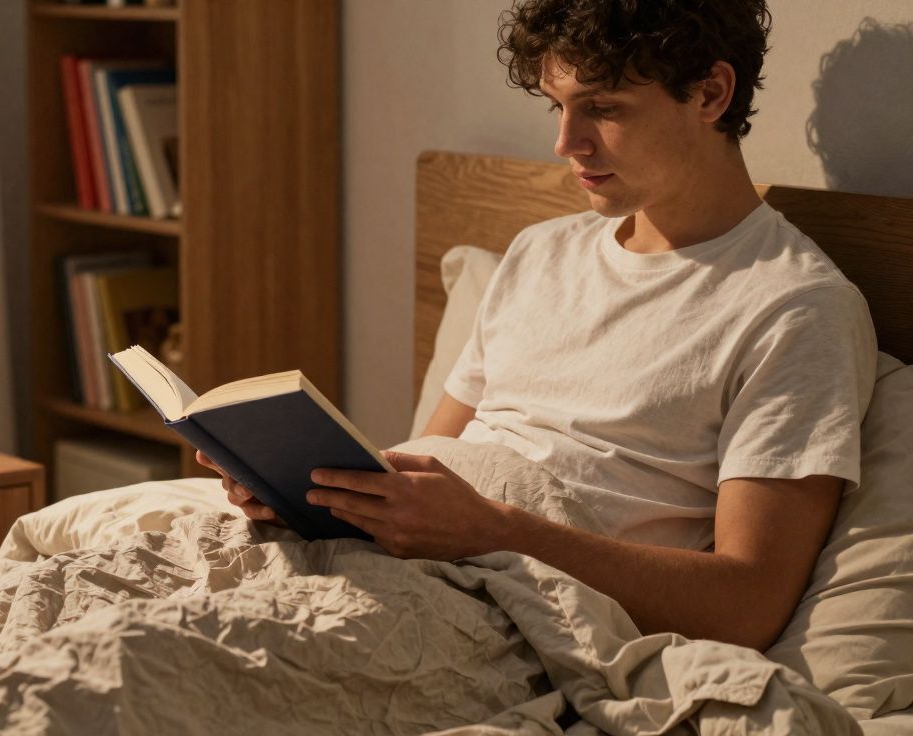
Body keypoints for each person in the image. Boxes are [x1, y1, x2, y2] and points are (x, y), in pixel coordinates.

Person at [199, 0, 878, 652]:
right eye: (558, 106)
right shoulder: (539, 253)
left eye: (602, 107)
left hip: (505, 607)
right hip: (395, 557)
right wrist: (308, 492)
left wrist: (496, 532)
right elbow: (426, 462)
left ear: (709, 94)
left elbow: (748, 603)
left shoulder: (794, 307)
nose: (565, 143)